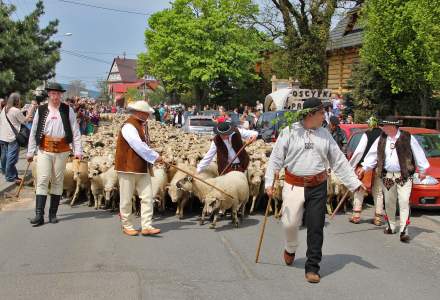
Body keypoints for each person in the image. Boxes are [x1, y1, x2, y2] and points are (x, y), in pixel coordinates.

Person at [265, 97, 364, 284]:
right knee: (289, 223)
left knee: (316, 227)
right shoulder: (289, 132)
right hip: (294, 185)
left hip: (318, 186)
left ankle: (312, 267)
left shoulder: (325, 134)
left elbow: (338, 161)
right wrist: (269, 182)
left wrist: (354, 184)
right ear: (311, 114)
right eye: (321, 113)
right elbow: (276, 159)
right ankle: (290, 247)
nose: (324, 116)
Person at [357, 116, 430, 243]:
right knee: (389, 202)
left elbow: (418, 153)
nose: (383, 128)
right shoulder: (382, 138)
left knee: (403, 201)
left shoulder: (407, 137)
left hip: (404, 176)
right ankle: (391, 226)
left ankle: (403, 231)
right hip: (387, 176)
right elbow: (373, 155)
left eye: (385, 126)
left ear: (393, 127)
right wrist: (364, 167)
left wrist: (423, 170)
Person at [27, 82, 82, 226]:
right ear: (49, 95)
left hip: (62, 150)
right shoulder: (41, 109)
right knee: (43, 179)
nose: (55, 96)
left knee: (58, 181)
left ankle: (53, 214)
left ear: (60, 95)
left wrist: (78, 151)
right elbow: (33, 132)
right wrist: (30, 151)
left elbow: (75, 131)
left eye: (57, 94)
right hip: (44, 149)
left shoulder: (67, 109)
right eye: (52, 94)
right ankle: (39, 215)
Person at [115, 100, 163, 236]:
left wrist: (152, 158)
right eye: (145, 113)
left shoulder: (143, 125)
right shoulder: (129, 126)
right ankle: (127, 225)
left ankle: (146, 225)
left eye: (147, 113)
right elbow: (138, 145)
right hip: (127, 166)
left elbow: (144, 145)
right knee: (126, 198)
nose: (148, 116)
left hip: (142, 166)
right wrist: (155, 156)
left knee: (147, 196)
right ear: (138, 113)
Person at [348, 116, 383, 225]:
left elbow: (359, 152)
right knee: (378, 192)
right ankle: (378, 218)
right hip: (380, 167)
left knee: (360, 190)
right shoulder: (384, 135)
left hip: (365, 167)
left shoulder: (367, 134)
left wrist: (351, 166)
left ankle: (356, 216)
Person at [0, 93, 32, 184]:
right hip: (12, 138)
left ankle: (5, 171)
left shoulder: (5, 109)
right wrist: (31, 110)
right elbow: (25, 121)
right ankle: (10, 177)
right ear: (16, 101)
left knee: (4, 156)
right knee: (12, 158)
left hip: (3, 136)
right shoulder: (15, 110)